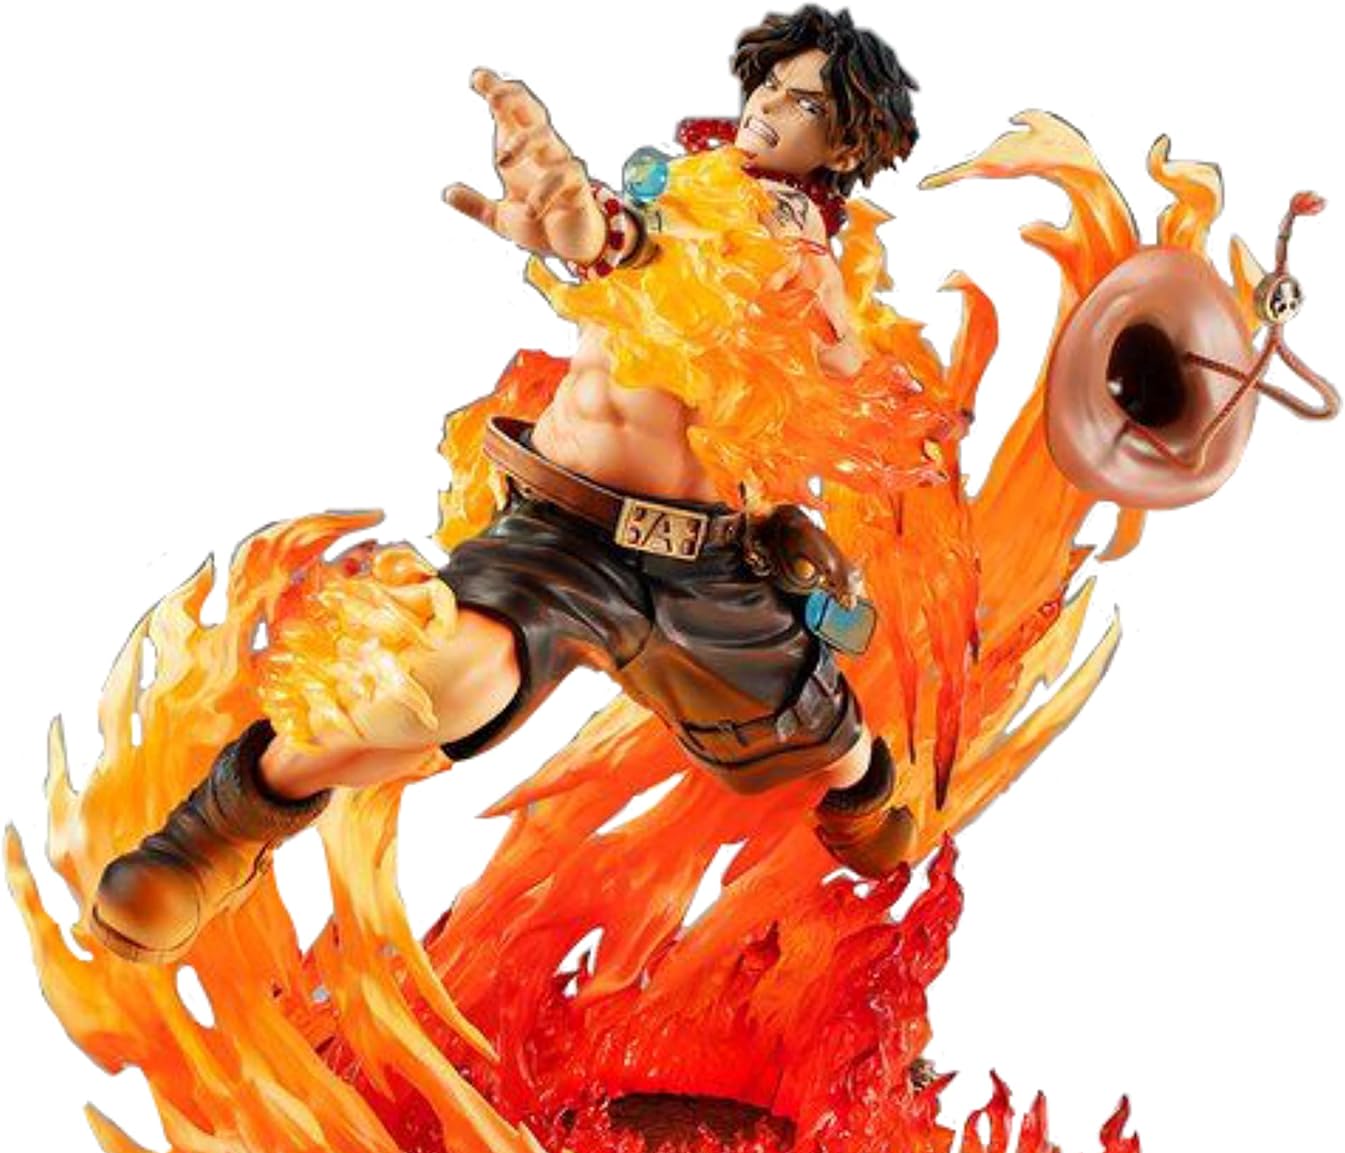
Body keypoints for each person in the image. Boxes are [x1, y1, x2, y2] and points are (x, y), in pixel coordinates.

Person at [91, 6, 925, 966]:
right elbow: (626, 241)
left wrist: (814, 325)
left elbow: (839, 381)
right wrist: (575, 217)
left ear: (844, 145)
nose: (768, 108)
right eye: (770, 86)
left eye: (803, 103)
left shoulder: (819, 259)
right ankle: (213, 834)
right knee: (436, 680)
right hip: (566, 532)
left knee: (815, 724)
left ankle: (866, 801)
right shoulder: (690, 193)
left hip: (703, 559)